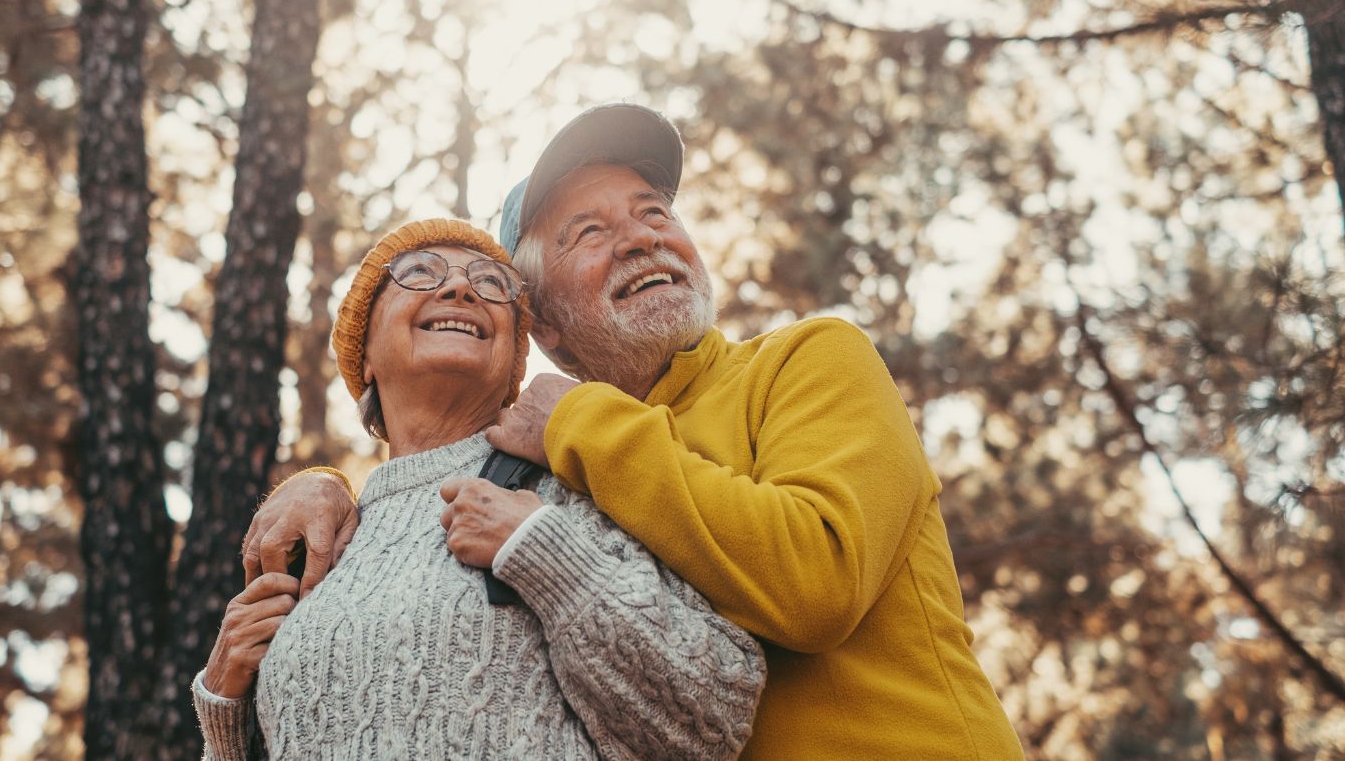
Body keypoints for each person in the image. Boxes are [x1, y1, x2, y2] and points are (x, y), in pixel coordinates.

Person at [242, 105, 1026, 759]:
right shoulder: (548, 469)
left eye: (654, 213)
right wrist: (328, 488)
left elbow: (817, 583)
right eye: (588, 232)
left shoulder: (808, 360)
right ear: (542, 323)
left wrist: (578, 421)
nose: (642, 237)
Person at [193, 218, 765, 760]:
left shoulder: (568, 487)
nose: (462, 290)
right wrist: (223, 716)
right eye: (419, 272)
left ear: (514, 367)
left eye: (491, 285)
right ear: (363, 352)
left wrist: (546, 554)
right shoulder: (315, 543)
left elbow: (715, 719)